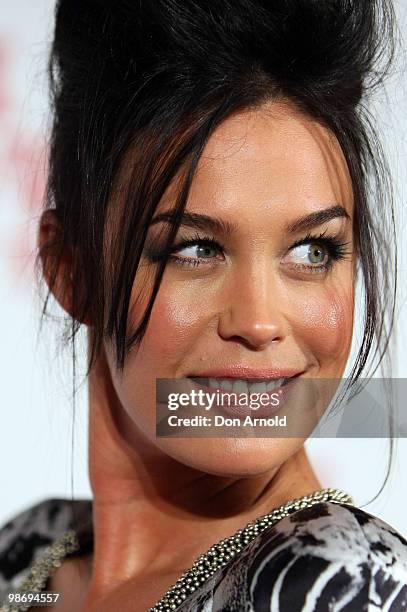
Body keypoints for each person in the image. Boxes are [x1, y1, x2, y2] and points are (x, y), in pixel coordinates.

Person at [1, 0, 407, 610]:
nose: (260, 321)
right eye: (195, 248)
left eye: (312, 250)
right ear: (73, 272)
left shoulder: (336, 581)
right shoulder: (30, 557)